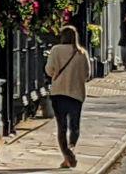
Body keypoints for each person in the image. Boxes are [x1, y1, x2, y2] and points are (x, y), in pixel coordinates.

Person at [46, 25, 91, 169]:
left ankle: (67, 156)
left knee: (62, 127)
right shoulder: (82, 53)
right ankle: (71, 150)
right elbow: (87, 74)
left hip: (58, 93)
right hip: (76, 94)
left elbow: (49, 70)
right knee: (74, 126)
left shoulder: (55, 50)